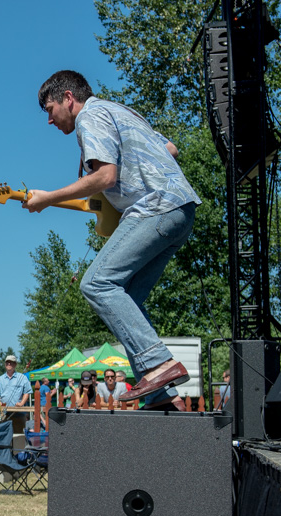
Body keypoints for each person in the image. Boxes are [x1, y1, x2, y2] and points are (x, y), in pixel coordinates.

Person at [26, 70, 198, 410]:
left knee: (97, 283)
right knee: (128, 297)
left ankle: (161, 365)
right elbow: (171, 149)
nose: (49, 120)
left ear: (68, 99)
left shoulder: (89, 117)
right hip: (181, 209)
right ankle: (165, 397)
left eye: (49, 109)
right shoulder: (122, 111)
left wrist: (48, 198)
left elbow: (105, 176)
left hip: (155, 209)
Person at [0, 354, 31, 434]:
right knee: (4, 435)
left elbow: (27, 392)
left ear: (15, 364)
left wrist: (21, 403)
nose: (9, 364)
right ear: (5, 364)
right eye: (7, 362)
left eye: (11, 362)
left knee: (19, 437)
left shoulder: (22, 378)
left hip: (18, 414)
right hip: (4, 414)